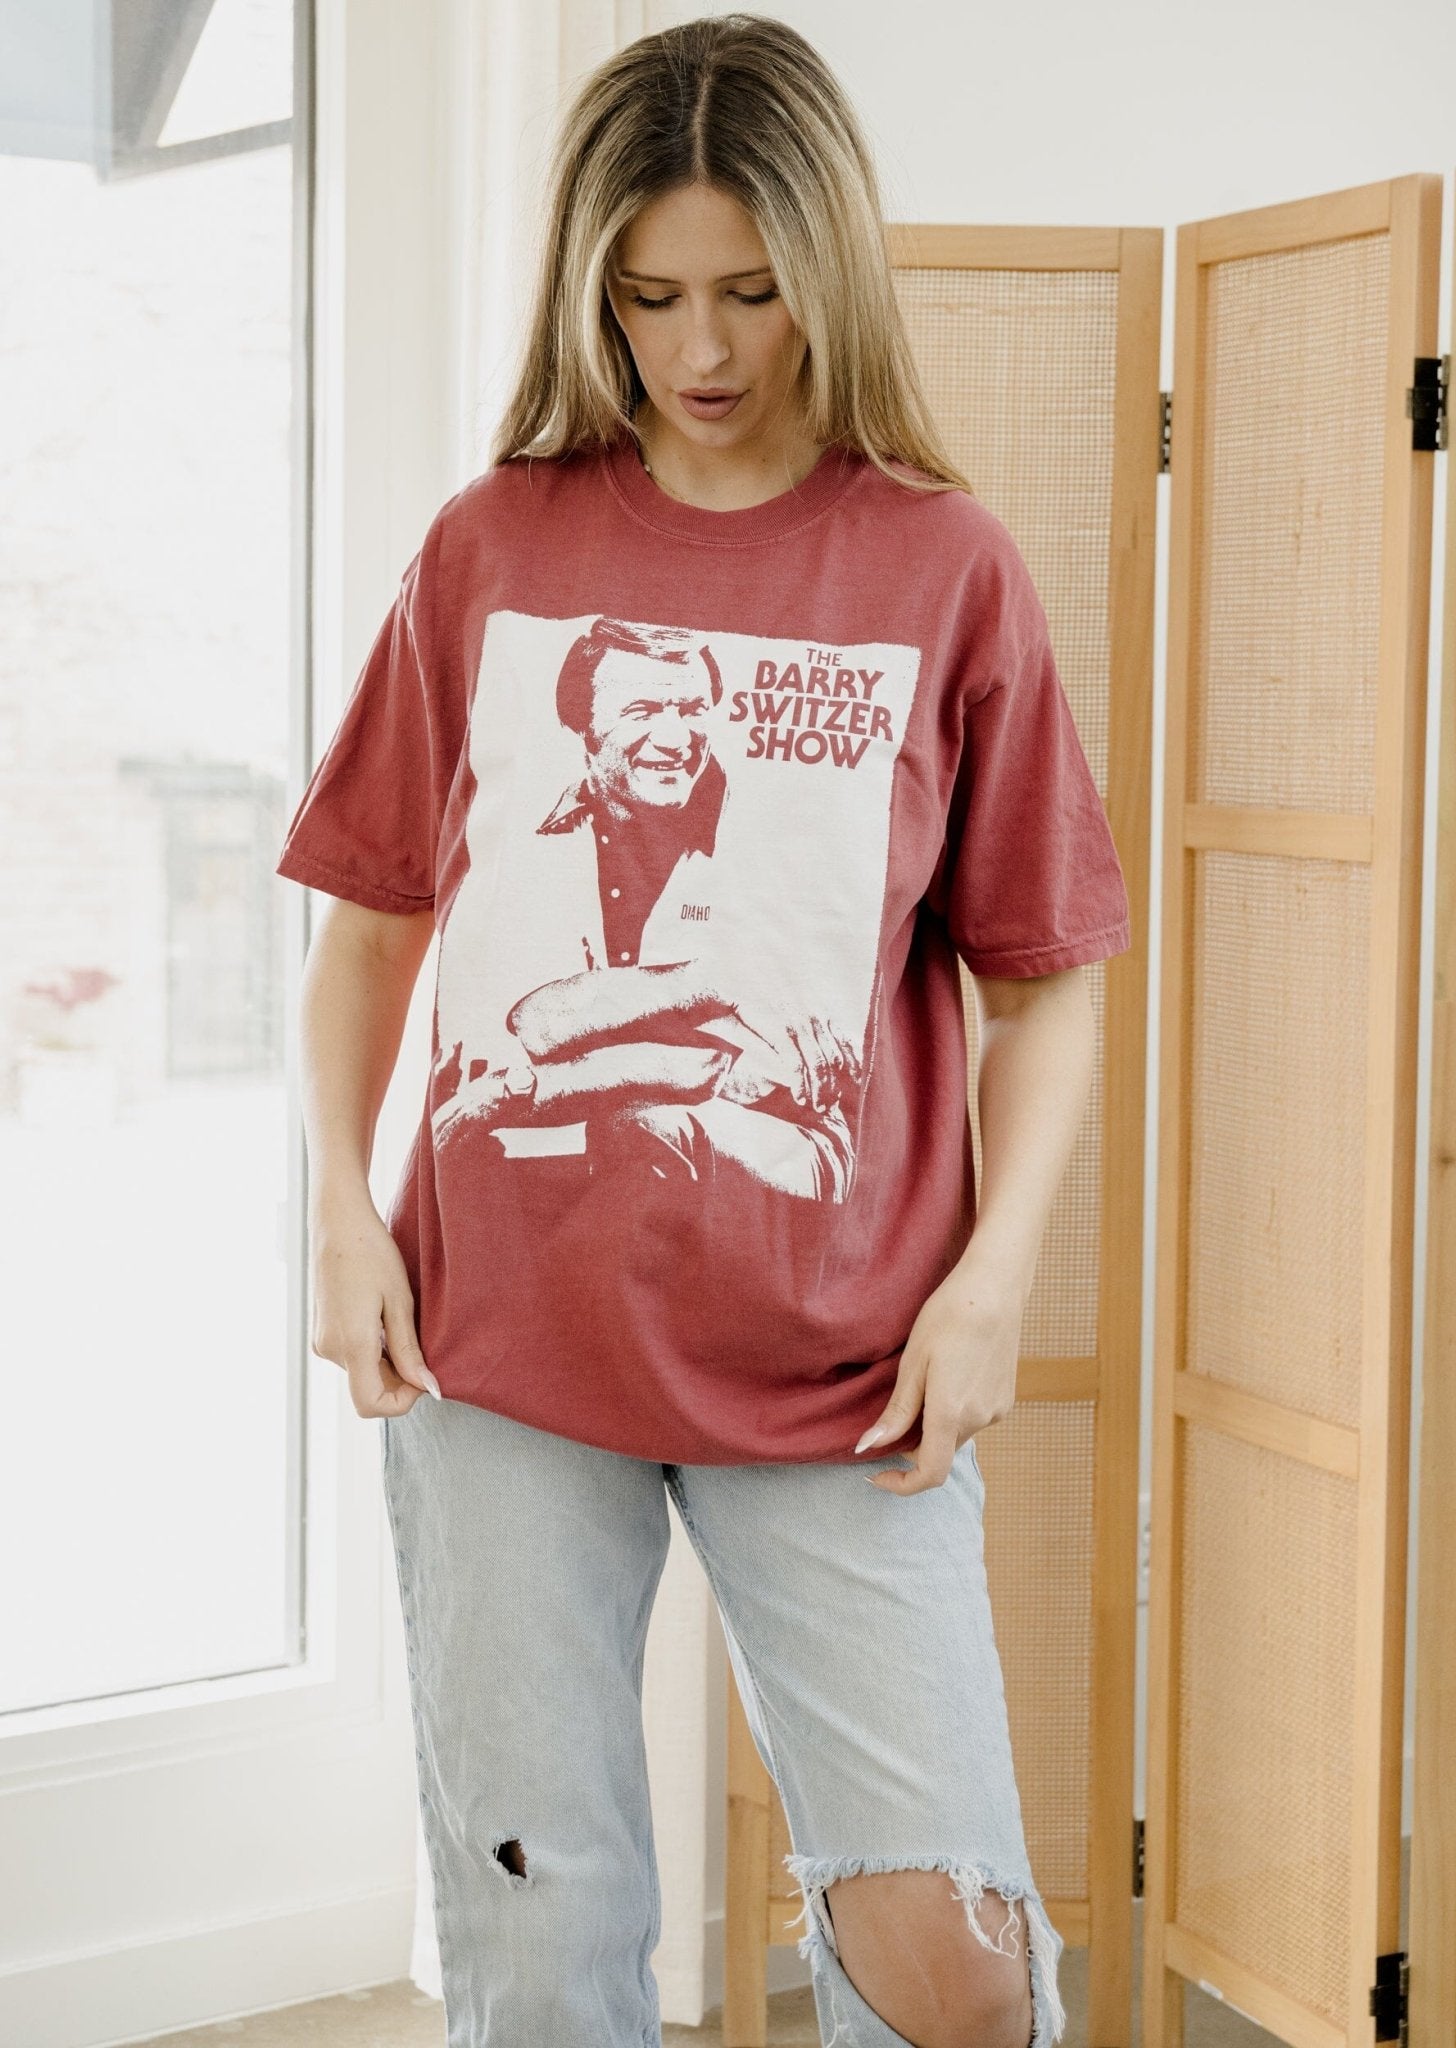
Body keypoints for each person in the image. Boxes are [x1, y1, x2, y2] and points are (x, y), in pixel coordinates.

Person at [274, 14, 1130, 2047]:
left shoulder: (941, 566)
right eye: (650, 297)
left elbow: (1044, 981)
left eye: (750, 290)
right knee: (542, 1944)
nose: (703, 349)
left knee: (957, 1971)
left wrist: (994, 1281)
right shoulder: (493, 546)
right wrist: (338, 1209)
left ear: (830, 269)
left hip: (848, 1363)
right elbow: (371, 930)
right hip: (499, 1347)